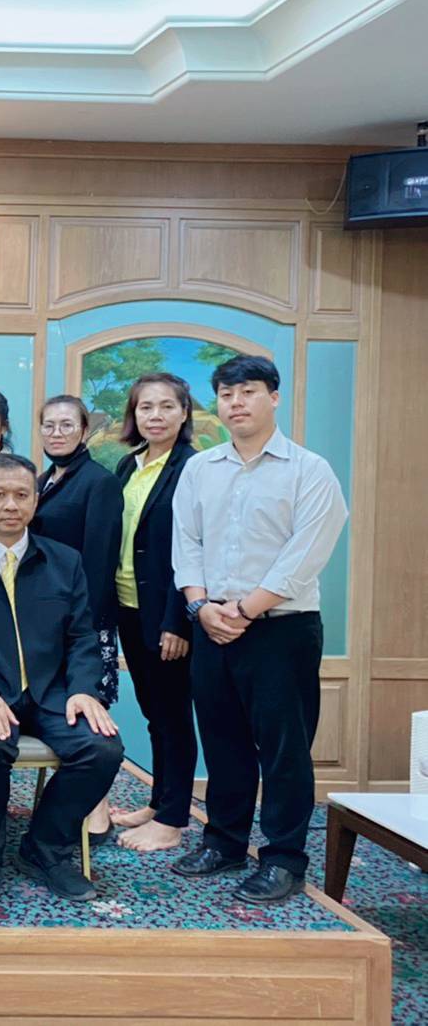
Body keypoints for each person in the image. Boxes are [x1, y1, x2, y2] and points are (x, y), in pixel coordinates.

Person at [171, 355, 347, 903]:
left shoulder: (309, 470)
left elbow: (306, 554)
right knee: (222, 742)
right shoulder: (201, 468)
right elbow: (186, 542)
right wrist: (200, 607)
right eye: (226, 394)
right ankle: (224, 842)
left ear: (274, 397)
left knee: (283, 749)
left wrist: (245, 610)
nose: (236, 403)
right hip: (211, 624)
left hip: (281, 629)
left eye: (247, 391)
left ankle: (284, 859)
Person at [0, 453, 124, 902]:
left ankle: (46, 847)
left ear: (36, 501)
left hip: (53, 693)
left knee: (102, 747)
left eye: (22, 495)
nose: (11, 505)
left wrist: (83, 691)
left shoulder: (64, 560)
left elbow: (81, 636)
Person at [110, 374, 198, 853]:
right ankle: (159, 801)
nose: (156, 416)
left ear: (184, 413)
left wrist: (178, 620)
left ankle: (173, 818)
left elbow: (194, 549)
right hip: (129, 607)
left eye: (167, 406)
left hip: (167, 614)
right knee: (153, 712)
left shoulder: (193, 468)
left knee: (173, 714)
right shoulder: (129, 464)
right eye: (146, 407)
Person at [31, 394, 123, 841]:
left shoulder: (98, 482)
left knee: (89, 713)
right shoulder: (43, 480)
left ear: (85, 431)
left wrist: (81, 622)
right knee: (62, 713)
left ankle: (97, 812)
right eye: (49, 425)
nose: (57, 433)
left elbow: (99, 560)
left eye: (67, 425)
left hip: (84, 619)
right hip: (44, 617)